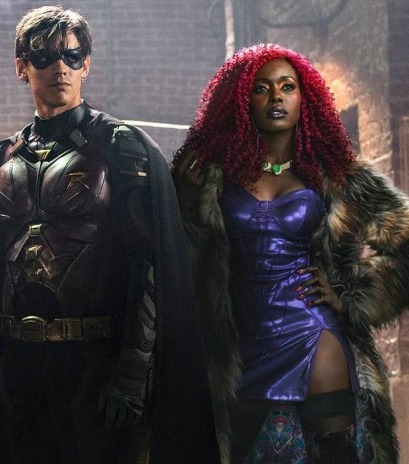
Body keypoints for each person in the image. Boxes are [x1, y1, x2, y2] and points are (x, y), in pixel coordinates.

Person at [0, 6, 219, 463]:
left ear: (86, 64)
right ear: (22, 67)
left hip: (95, 366)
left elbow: (150, 263)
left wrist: (132, 370)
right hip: (18, 364)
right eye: (43, 57)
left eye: (71, 55)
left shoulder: (120, 146)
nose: (59, 68)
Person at [173, 43, 409, 463]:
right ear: (242, 101)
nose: (276, 97)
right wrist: (185, 204)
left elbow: (403, 237)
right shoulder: (207, 177)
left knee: (335, 456)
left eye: (287, 87)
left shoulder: (337, 175)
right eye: (261, 88)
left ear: (305, 98)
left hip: (313, 333)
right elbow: (177, 260)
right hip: (240, 343)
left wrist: (352, 297)